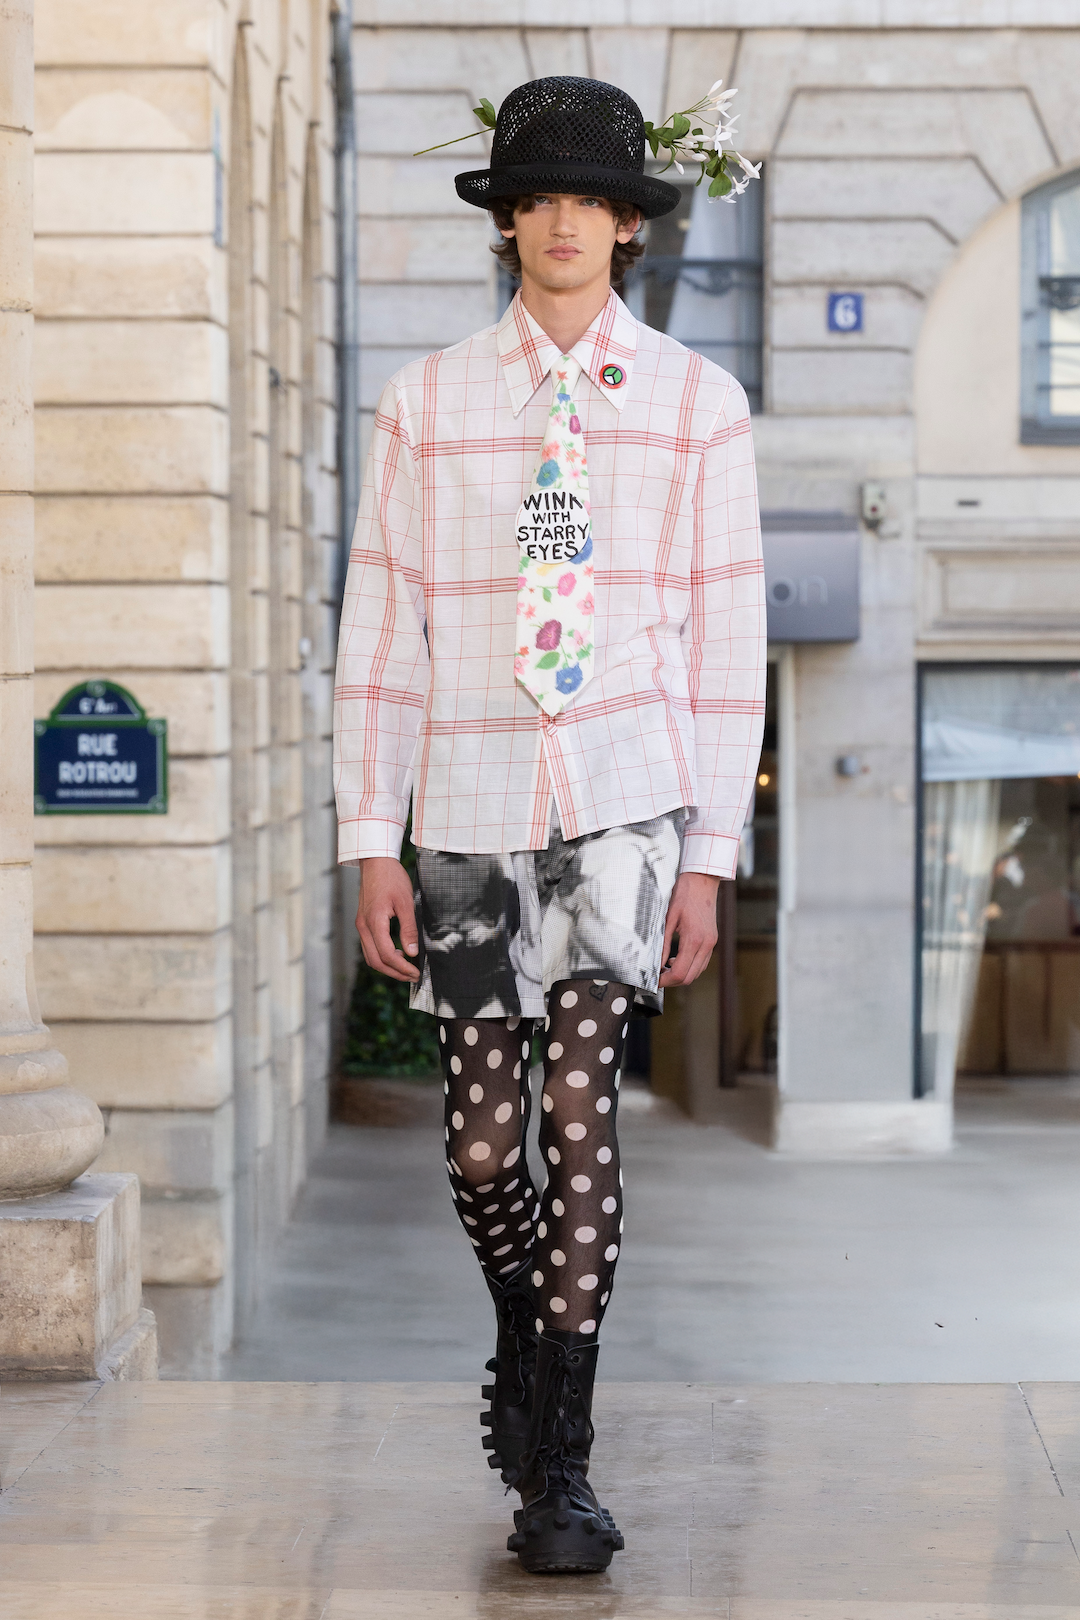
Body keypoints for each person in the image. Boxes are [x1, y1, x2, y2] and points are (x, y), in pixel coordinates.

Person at [334, 74, 765, 1575]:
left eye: (594, 199)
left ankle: (561, 1465)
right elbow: (382, 634)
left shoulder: (699, 407)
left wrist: (706, 857)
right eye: (541, 197)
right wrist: (370, 837)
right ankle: (526, 1333)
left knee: (579, 1109)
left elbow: (726, 649)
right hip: (463, 803)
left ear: (632, 227)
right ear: (509, 219)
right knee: (477, 1143)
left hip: (626, 799)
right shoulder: (429, 403)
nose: (566, 221)